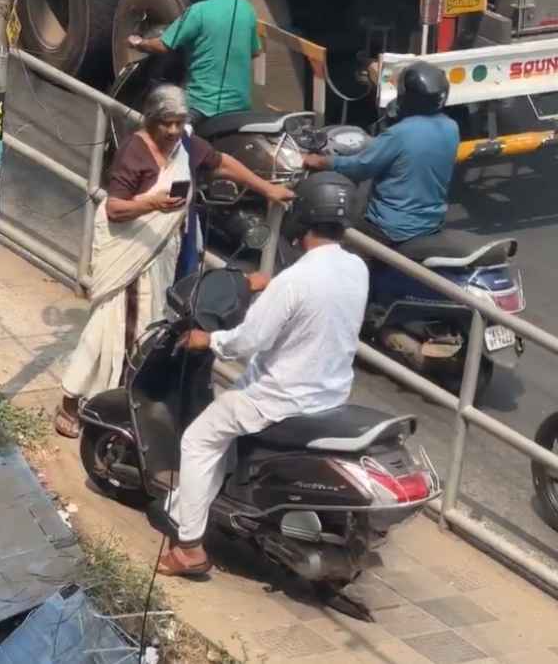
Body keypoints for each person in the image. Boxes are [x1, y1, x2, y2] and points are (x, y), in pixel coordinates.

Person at [157, 171, 368, 577]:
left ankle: (188, 549)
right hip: (330, 396)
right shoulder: (357, 268)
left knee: (199, 440)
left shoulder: (295, 280)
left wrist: (208, 340)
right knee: (220, 431)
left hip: (276, 399)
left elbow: (246, 342)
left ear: (302, 216)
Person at [53, 85, 295, 438]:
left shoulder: (187, 147)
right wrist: (151, 203)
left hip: (165, 254)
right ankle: (72, 403)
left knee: (150, 330)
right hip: (129, 257)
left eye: (179, 122)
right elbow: (115, 208)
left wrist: (267, 189)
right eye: (166, 123)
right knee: (112, 328)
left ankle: (123, 404)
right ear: (151, 120)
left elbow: (222, 163)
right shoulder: (134, 153)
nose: (172, 130)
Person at [302, 62, 459, 246]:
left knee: (334, 236)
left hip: (391, 227)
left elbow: (360, 167)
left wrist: (322, 161)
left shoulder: (400, 134)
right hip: (431, 223)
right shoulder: (451, 127)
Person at [127, 0, 261, 127]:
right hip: (240, 105)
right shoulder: (247, 10)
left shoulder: (198, 11)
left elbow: (162, 45)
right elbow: (255, 52)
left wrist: (138, 42)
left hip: (202, 106)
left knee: (159, 132)